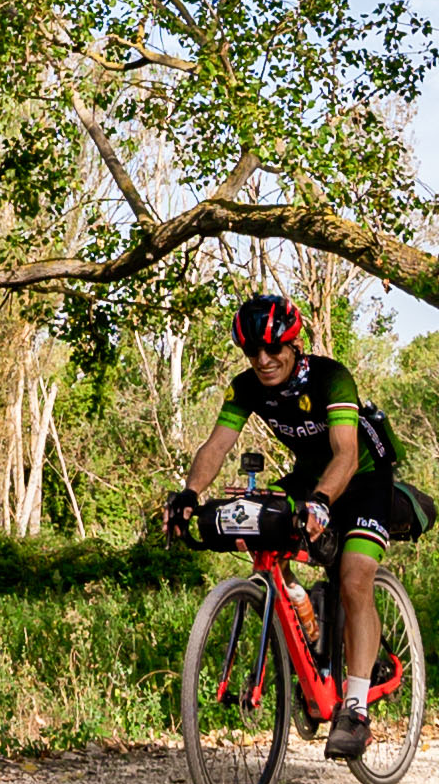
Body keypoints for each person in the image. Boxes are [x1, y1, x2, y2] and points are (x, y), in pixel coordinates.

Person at [171, 289, 402, 759]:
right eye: (252, 351)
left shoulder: (330, 378)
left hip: (363, 477)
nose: (263, 360)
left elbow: (346, 454)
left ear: (294, 344)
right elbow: (216, 446)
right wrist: (189, 495)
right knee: (262, 524)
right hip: (309, 477)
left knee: (354, 576)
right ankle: (305, 617)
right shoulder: (246, 387)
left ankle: (355, 709)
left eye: (272, 348)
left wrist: (322, 502)